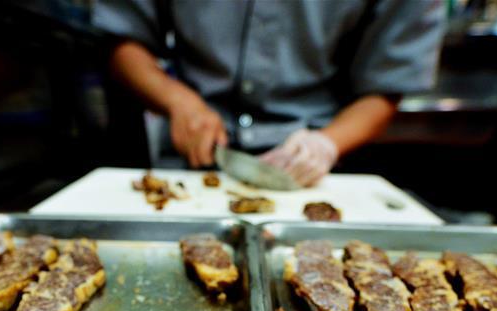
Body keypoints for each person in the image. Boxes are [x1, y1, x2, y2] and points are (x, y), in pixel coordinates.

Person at [94, 0, 446, 186]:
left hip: (317, 171)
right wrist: (177, 100)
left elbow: (386, 86)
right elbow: (123, 41)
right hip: (190, 159)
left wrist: (327, 143)